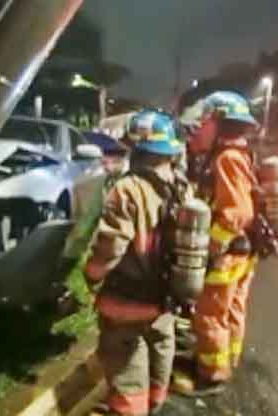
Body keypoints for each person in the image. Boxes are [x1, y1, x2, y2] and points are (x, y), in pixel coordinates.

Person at [84, 110, 191, 416]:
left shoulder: (128, 189)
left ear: (137, 147)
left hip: (127, 301)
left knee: (126, 363)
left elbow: (111, 246)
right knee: (160, 349)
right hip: (166, 300)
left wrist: (91, 275)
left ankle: (129, 411)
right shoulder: (183, 187)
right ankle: (154, 404)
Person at [173, 91, 261, 396]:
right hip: (243, 251)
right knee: (231, 310)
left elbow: (238, 213)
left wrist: (209, 247)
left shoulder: (227, 158)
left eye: (205, 121)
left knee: (209, 314)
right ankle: (227, 359)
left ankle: (210, 374)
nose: (199, 127)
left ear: (220, 124)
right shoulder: (240, 153)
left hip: (226, 253)